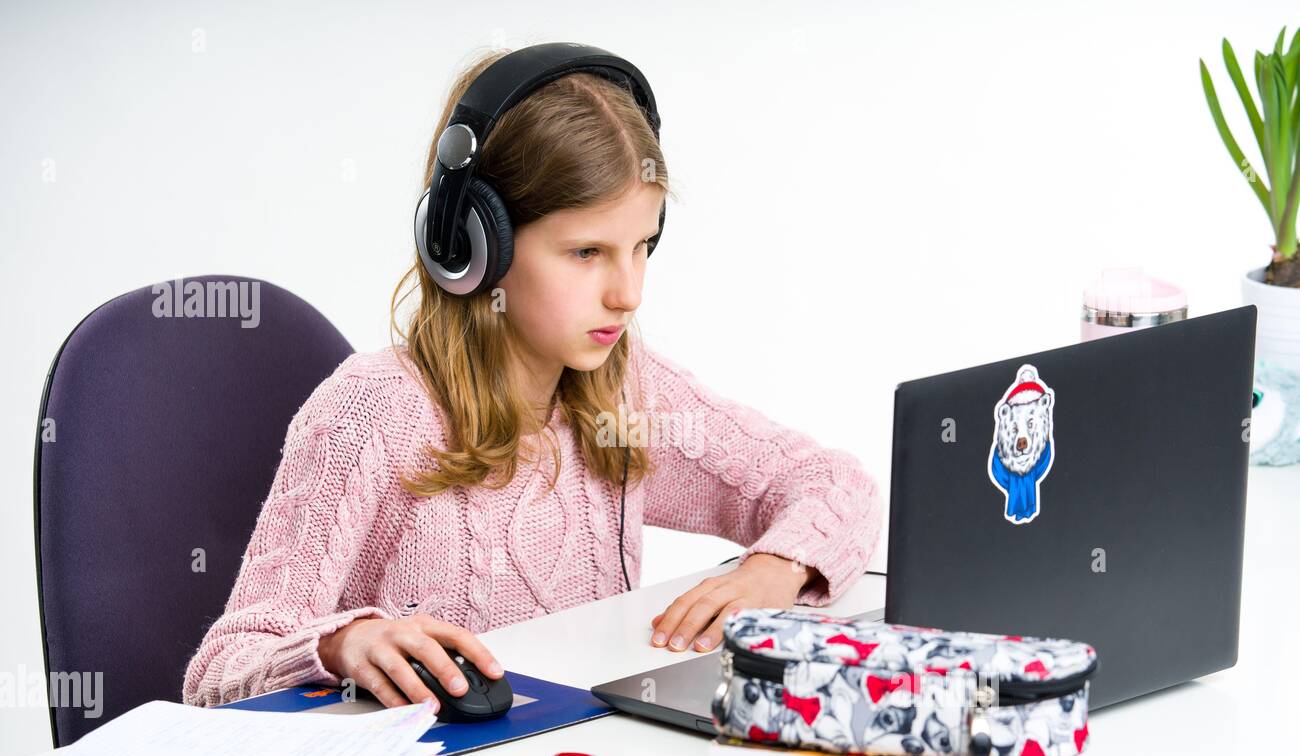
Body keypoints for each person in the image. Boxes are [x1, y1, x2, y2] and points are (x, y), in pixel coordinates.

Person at [182, 47, 884, 710]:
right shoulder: (372, 413)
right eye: (587, 252)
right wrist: (341, 643)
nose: (628, 292)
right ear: (475, 248)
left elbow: (831, 481)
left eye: (642, 247)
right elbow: (219, 674)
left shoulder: (624, 390)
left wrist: (776, 568)